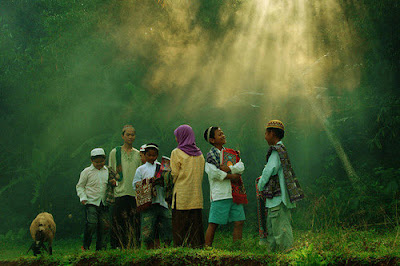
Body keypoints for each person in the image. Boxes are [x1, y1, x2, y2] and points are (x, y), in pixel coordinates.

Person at [257, 120, 304, 252]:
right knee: (273, 229)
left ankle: (286, 255)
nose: (265, 136)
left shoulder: (276, 151)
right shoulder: (282, 150)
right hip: (277, 199)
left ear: (272, 133)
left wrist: (260, 185)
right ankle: (272, 257)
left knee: (281, 230)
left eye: (266, 133)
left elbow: (268, 171)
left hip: (278, 199)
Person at [203, 127, 247, 247]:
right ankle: (207, 250)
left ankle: (236, 249)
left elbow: (241, 166)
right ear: (212, 140)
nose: (223, 135)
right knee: (214, 223)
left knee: (239, 221)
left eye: (223, 133)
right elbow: (213, 173)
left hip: (234, 193)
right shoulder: (210, 156)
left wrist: (229, 168)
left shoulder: (231, 153)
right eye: (219, 134)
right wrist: (232, 176)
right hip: (220, 194)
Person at [170, 124, 205, 248]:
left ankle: (180, 252)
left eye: (177, 136)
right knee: (195, 228)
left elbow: (174, 174)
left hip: (182, 197)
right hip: (196, 197)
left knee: (181, 228)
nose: (176, 138)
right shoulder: (200, 155)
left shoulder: (177, 152)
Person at [133, 143, 172, 249]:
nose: (151, 157)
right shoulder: (141, 169)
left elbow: (169, 181)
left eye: (154, 155)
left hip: (161, 200)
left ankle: (166, 246)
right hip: (148, 203)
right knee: (148, 226)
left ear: (157, 155)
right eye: (149, 155)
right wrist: (148, 183)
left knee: (167, 224)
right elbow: (135, 185)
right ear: (144, 155)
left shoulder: (162, 167)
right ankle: (149, 248)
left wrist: (161, 182)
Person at [108, 125, 141, 249]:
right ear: (122, 136)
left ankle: (133, 245)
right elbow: (111, 171)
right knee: (118, 221)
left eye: (133, 134)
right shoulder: (115, 152)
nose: (130, 137)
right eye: (128, 134)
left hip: (134, 193)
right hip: (119, 191)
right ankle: (117, 246)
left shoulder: (138, 154)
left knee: (134, 221)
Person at [76, 148, 110, 251]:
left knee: (104, 225)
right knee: (92, 223)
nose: (99, 164)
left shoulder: (107, 170)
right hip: (90, 201)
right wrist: (83, 197)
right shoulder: (87, 172)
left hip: (103, 202)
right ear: (92, 160)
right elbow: (80, 186)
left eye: (102, 161)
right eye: (97, 162)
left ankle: (101, 248)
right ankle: (86, 246)